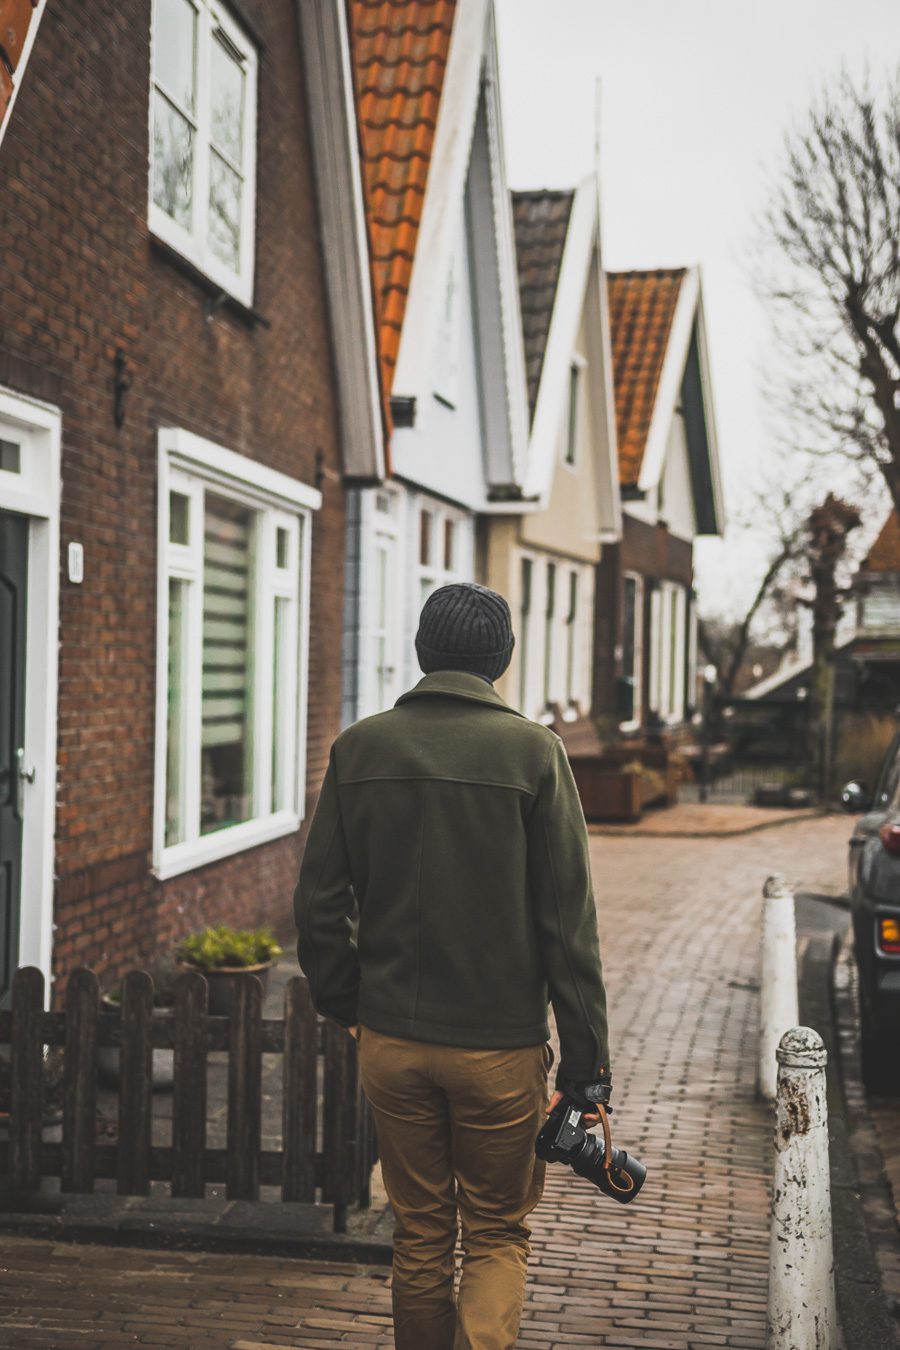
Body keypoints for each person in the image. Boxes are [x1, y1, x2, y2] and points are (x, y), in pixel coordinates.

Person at [292, 581, 611, 1350]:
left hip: (392, 1042)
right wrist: (587, 1068)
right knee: (497, 1232)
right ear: (499, 660)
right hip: (498, 1048)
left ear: (423, 654)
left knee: (421, 1229)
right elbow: (569, 927)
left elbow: (317, 901)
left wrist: (349, 1004)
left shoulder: (359, 747)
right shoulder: (536, 752)